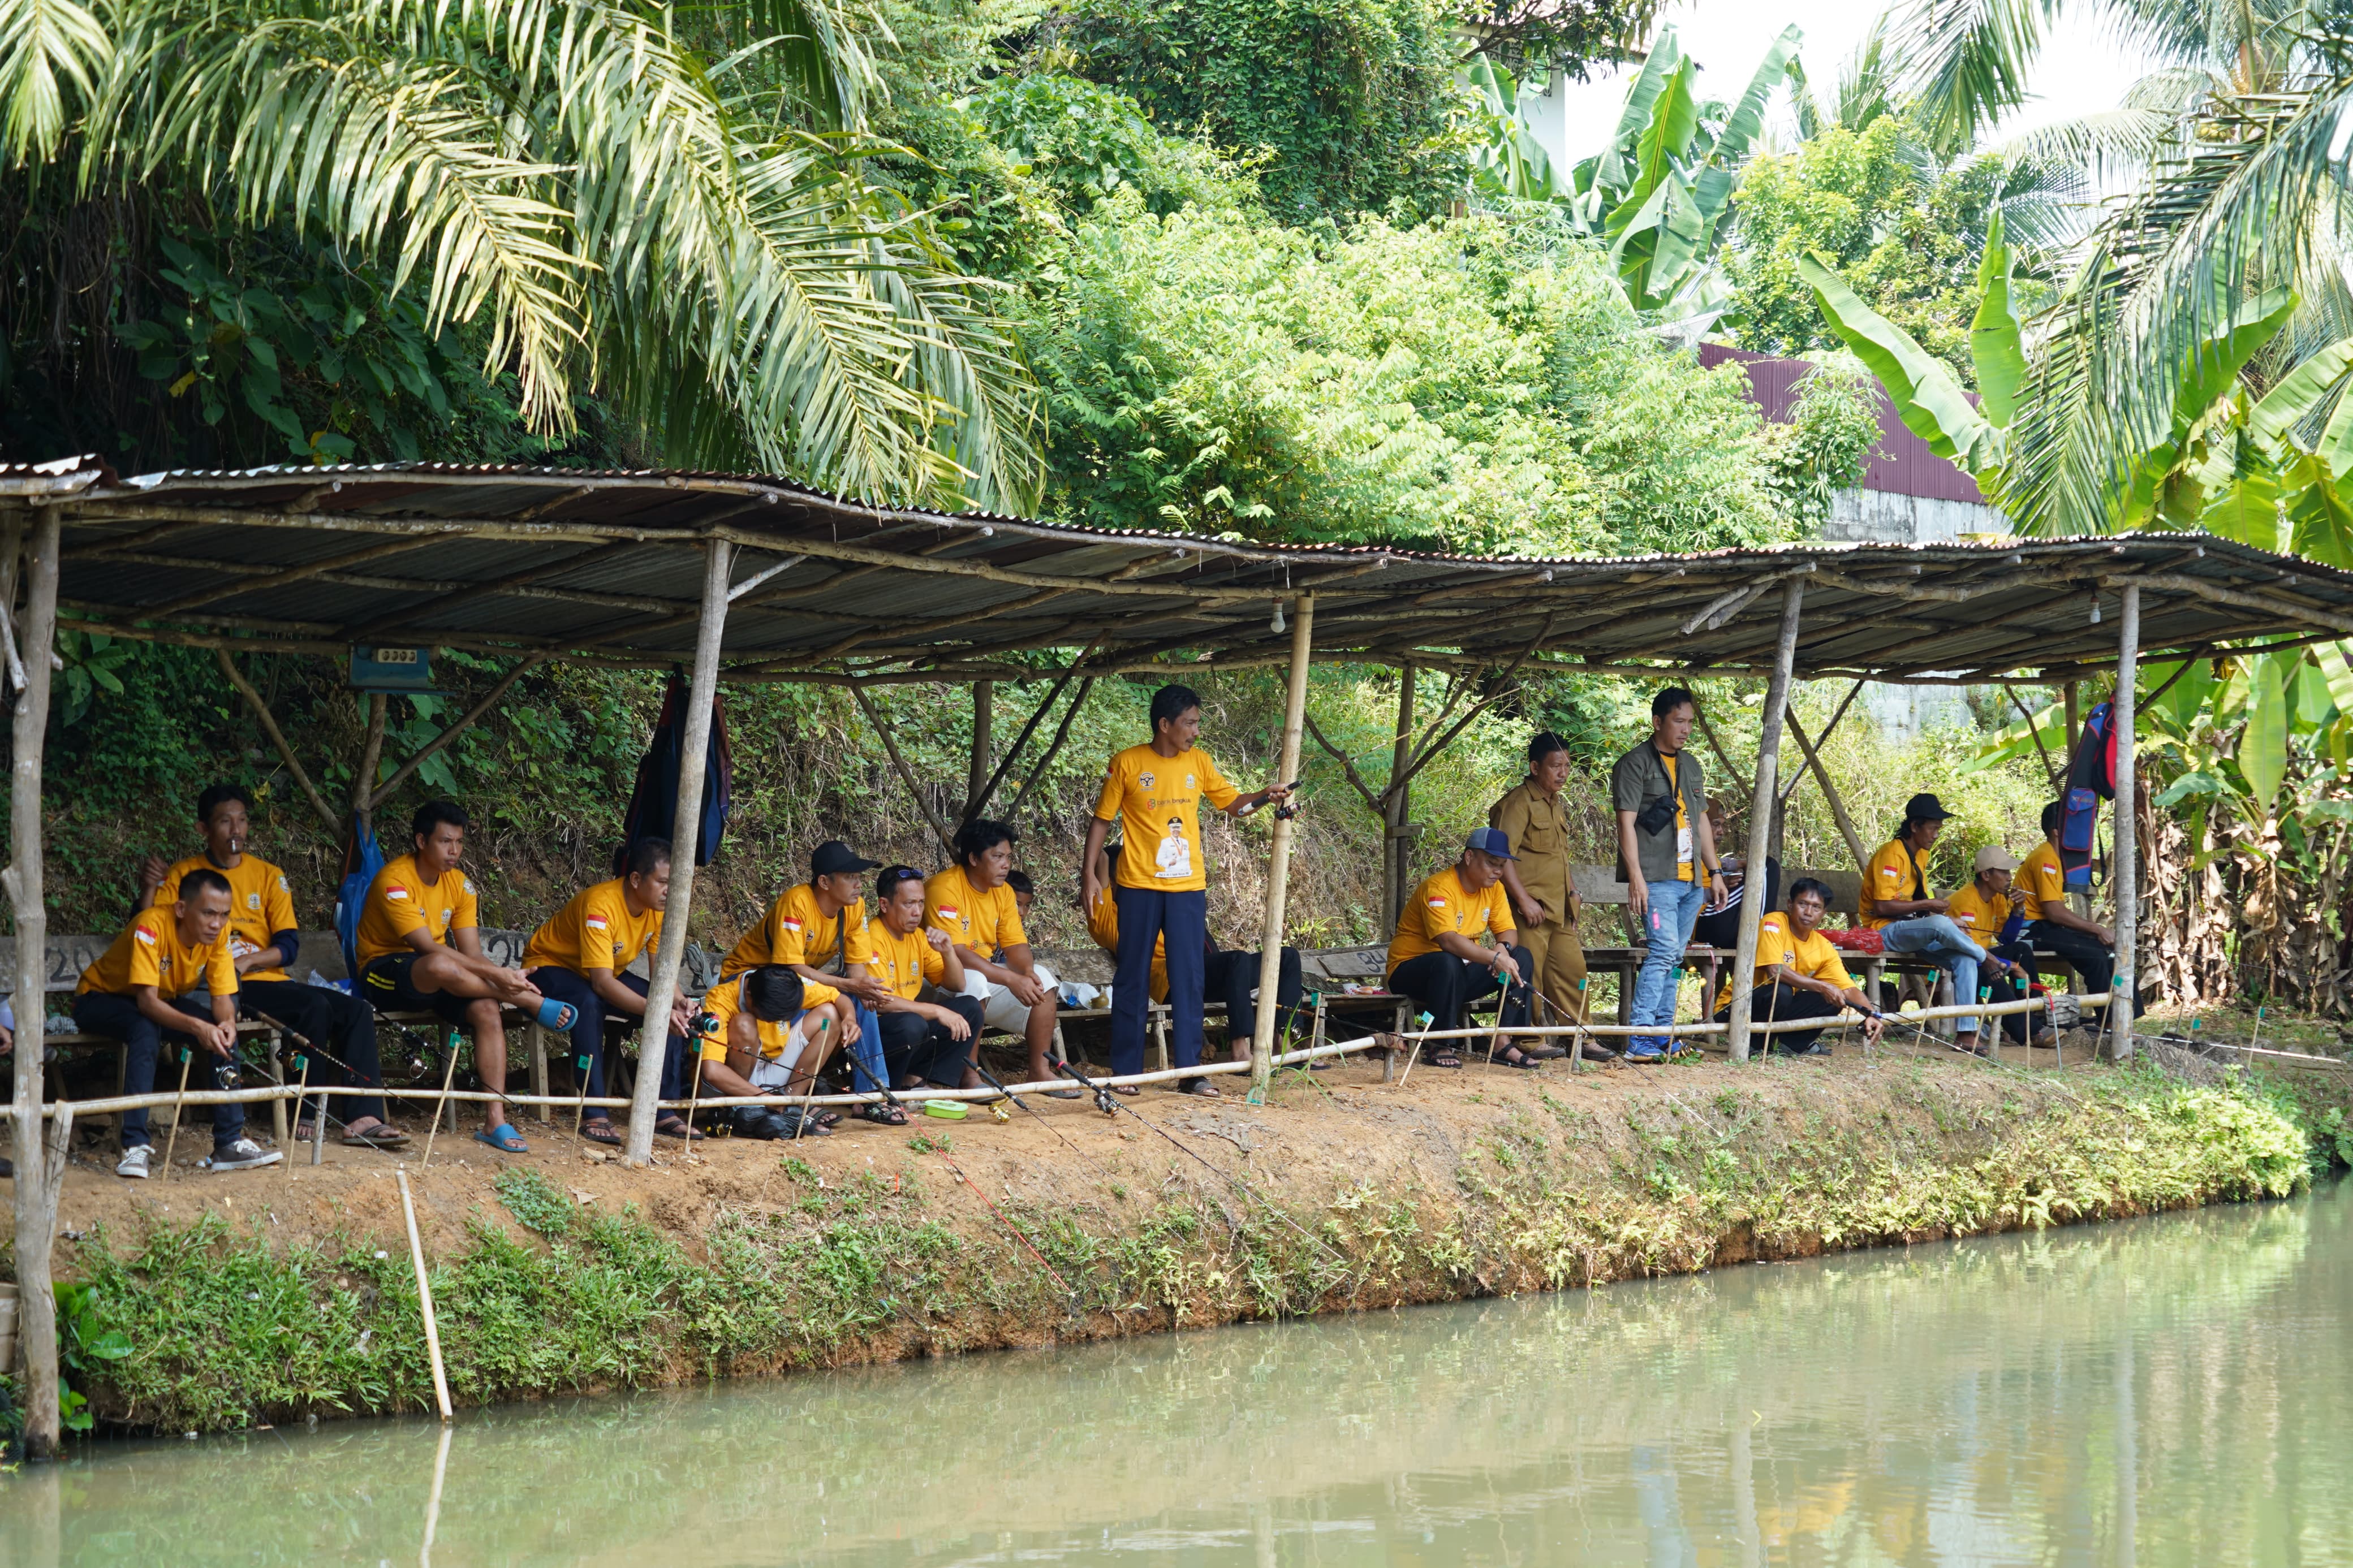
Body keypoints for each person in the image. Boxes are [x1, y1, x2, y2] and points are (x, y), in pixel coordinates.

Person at [140, 783, 407, 1148]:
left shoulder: (267, 875)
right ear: (204, 828)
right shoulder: (186, 877)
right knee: (314, 1005)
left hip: (265, 979)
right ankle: (306, 1109)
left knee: (357, 1010)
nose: (236, 830)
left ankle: (364, 1116)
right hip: (216, 984)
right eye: (224, 821)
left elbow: (288, 946)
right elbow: (152, 931)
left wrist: (248, 960)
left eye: (243, 820)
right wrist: (150, 889)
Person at [1081, 684, 1290, 1096]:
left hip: (1188, 889)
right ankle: (1126, 1072)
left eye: (1197, 723)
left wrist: (1265, 797)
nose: (1196, 731)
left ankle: (1191, 1072)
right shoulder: (1126, 763)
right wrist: (1088, 872)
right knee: (1133, 977)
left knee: (1190, 977)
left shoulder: (1200, 762)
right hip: (1138, 886)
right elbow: (1102, 821)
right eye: (1190, 723)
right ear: (1165, 724)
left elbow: (1235, 805)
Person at [354, 800, 560, 1156]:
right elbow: (422, 946)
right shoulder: (394, 880)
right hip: (385, 974)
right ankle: (526, 1000)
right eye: (445, 842)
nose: (454, 851)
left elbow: (472, 954)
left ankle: (495, 1119)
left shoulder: (461, 886)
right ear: (421, 841)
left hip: (442, 976)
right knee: (438, 964)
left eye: (460, 842)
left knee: (486, 1008)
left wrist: (496, 982)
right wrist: (503, 979)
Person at [75, 869, 282, 1177]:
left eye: (225, 914)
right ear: (182, 909)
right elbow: (147, 1003)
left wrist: (226, 1023)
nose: (217, 923)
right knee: (145, 1028)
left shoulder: (219, 934)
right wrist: (199, 1028)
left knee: (221, 1032)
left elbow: (222, 995)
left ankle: (229, 1141)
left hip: (160, 1000)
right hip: (100, 998)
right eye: (208, 913)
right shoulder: (151, 926)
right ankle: (135, 1146)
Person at [519, 837, 700, 1144]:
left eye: (675, 883)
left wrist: (680, 1001)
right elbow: (602, 984)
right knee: (589, 1003)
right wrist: (658, 1009)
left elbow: (664, 975)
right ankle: (595, 1112)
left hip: (598, 973)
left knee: (676, 1014)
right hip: (548, 969)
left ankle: (664, 1109)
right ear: (636, 879)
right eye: (663, 882)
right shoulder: (600, 905)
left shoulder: (659, 910)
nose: (670, 891)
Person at [723, 839, 900, 1124]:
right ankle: (795, 1097)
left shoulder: (854, 907)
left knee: (860, 1003)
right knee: (824, 1001)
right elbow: (790, 968)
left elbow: (856, 965)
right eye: (850, 877)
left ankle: (872, 1097)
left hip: (794, 981)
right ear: (825, 882)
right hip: (752, 980)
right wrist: (847, 987)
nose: (859, 885)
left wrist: (865, 990)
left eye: (859, 877)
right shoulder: (797, 902)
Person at [1085, 843, 1303, 1061]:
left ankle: (1283, 1044)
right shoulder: (1104, 919)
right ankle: (1240, 1051)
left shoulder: (1155, 904)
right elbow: (1102, 857)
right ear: (1112, 882)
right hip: (1173, 983)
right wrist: (1093, 870)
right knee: (1237, 960)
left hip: (1202, 973)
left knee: (1287, 958)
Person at [1611, 687, 1726, 1061]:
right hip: (1656, 878)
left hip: (1690, 880)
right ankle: (1640, 1035)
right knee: (1662, 952)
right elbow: (1625, 825)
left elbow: (1702, 821)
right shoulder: (1634, 764)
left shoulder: (1691, 765)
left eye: (1690, 722)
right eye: (1679, 720)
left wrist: (1715, 872)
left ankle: (1662, 1032)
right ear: (1658, 721)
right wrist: (1637, 878)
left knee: (1675, 957)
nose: (1686, 729)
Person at [928, 819, 1064, 1090]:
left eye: (1009, 857)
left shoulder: (1004, 893)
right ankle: (970, 1074)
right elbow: (958, 953)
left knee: (1043, 979)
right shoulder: (944, 888)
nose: (1006, 865)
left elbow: (1015, 945)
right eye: (998, 857)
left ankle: (1039, 1070)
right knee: (974, 981)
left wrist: (1025, 974)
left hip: (981, 978)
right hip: (937, 979)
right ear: (974, 859)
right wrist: (1010, 980)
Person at [1386, 829, 1537, 1070]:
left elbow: (1508, 930)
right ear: (1469, 857)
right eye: (1491, 863)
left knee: (1523, 956)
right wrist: (1495, 957)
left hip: (1458, 976)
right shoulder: (1439, 887)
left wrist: (1503, 948)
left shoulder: (1495, 888)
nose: (1498, 871)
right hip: (1412, 972)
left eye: (1502, 865)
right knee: (1448, 960)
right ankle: (1439, 1042)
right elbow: (1448, 941)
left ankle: (1503, 1041)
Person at [1489, 731, 1592, 1060]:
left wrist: (1573, 895)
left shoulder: (1555, 803)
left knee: (1573, 971)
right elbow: (1500, 858)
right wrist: (1523, 900)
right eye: (1555, 766)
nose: (1563, 773)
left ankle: (1582, 1035)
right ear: (1535, 767)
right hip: (1530, 910)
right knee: (1528, 974)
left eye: (1567, 766)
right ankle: (1529, 1040)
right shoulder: (1518, 804)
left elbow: (1560, 857)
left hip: (1559, 909)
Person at [1710, 878, 1885, 1057]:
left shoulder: (1823, 945)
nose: (1808, 912)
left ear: (1824, 913)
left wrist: (1870, 1014)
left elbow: (1848, 989)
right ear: (1790, 904)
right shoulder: (1774, 923)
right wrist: (1822, 986)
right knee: (1782, 991)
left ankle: (1788, 1046)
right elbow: (1775, 971)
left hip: (1778, 1007)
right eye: (1803, 904)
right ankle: (1753, 1045)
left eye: (1816, 907)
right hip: (1735, 1008)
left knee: (1833, 999)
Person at [1862, 793, 1991, 1033]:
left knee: (1964, 959)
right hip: (1883, 930)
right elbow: (1882, 906)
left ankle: (1966, 1032)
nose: (1936, 835)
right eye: (1932, 829)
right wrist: (1930, 908)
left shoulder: (1921, 854)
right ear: (1914, 826)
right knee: (1940, 926)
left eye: (1938, 829)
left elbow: (1919, 902)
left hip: (1910, 930)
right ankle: (1987, 957)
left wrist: (1947, 919)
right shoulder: (1892, 853)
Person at [689, 965, 850, 1139]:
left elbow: (839, 998)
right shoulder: (721, 999)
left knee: (829, 1016)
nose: (772, 1022)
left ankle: (792, 1102)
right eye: (768, 1017)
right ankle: (741, 1109)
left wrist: (851, 1019)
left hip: (774, 1069)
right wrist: (767, 1099)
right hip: (734, 1081)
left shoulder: (786, 986)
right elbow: (712, 1071)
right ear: (750, 994)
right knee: (744, 1023)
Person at [866, 866, 986, 1090]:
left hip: (910, 1023)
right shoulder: (873, 936)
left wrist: (948, 951)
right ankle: (889, 1084)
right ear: (884, 905)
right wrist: (938, 1011)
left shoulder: (919, 937)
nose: (917, 912)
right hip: (877, 1028)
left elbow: (957, 984)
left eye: (921, 903)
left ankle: (915, 1077)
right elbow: (882, 1001)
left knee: (970, 1008)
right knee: (913, 1023)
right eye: (909, 904)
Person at [1945, 845, 2051, 1053]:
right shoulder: (1967, 900)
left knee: (2021, 950)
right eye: (2004, 872)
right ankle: (2030, 1032)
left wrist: (2018, 911)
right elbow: (1971, 950)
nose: (2010, 877)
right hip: (1959, 960)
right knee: (1992, 971)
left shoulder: (1996, 898)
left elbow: (2006, 938)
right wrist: (2012, 966)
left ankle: (2034, 1016)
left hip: (1980, 956)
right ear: (1986, 875)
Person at [2018, 800, 2118, 1003]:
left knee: (2111, 954)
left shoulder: (2056, 857)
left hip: (2046, 927)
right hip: (2030, 929)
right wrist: (2097, 929)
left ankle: (2124, 1015)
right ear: (2057, 831)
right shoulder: (2045, 858)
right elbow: (2055, 913)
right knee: (2094, 956)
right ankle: (2107, 1020)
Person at [1687, 798, 1779, 954]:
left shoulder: (1709, 857)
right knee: (1767, 866)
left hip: (1716, 924)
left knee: (1761, 866)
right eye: (1716, 824)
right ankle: (1764, 934)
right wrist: (1714, 890)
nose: (1721, 831)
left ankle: (1762, 932)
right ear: (1699, 826)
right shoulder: (1687, 853)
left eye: (1723, 825)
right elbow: (1680, 894)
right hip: (1701, 923)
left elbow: (1720, 863)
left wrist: (1738, 865)